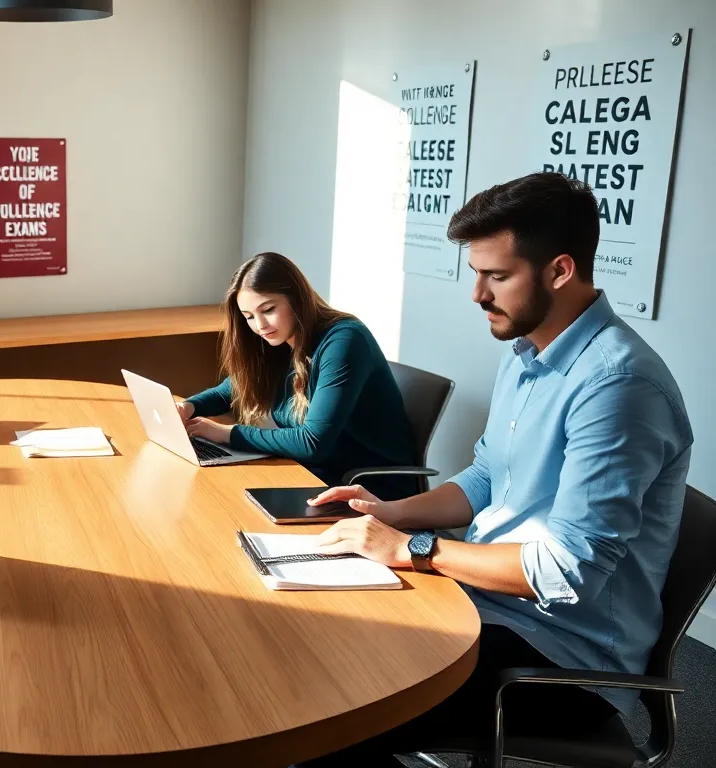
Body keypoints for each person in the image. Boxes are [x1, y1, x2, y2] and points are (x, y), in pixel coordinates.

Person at [299, 172, 692, 765]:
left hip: (559, 660)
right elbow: (486, 480)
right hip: (481, 605)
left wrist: (415, 548)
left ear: (560, 271)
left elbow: (570, 571)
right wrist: (382, 513)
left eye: (497, 276)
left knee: (324, 706)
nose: (477, 294)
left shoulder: (618, 386)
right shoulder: (527, 353)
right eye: (477, 273)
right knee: (307, 640)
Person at [178, 252, 419, 499]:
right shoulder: (277, 341)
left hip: (366, 490)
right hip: (313, 474)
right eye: (249, 316)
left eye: (268, 309)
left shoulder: (344, 341)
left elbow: (311, 443)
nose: (260, 325)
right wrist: (188, 407)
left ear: (296, 299)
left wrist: (227, 433)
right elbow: (229, 390)